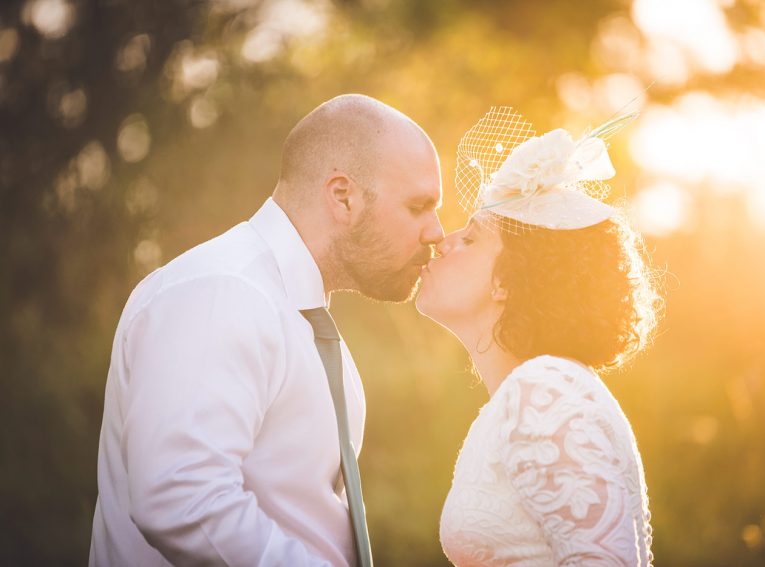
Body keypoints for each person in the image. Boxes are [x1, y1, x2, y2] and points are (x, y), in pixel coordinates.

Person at [89, 94, 444, 566]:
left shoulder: (295, 314)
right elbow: (181, 497)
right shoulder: (221, 291)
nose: (437, 231)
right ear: (343, 197)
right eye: (419, 206)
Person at [416, 107, 660, 566]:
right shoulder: (523, 395)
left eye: (470, 240)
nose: (442, 242)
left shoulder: (545, 389)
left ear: (507, 280)